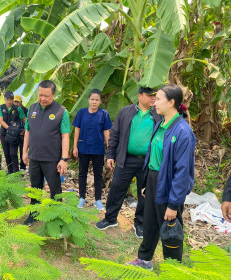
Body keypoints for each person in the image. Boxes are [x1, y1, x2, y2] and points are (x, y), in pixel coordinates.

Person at [128, 84, 196, 269]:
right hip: (152, 180)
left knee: (170, 228)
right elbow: (152, 157)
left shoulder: (183, 131)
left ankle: (173, 268)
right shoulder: (160, 124)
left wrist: (173, 204)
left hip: (168, 183)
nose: (154, 102)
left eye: (158, 99)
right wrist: (145, 184)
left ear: (172, 102)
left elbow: (183, 172)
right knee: (149, 222)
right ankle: (144, 259)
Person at [96, 87, 162, 238]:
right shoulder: (126, 112)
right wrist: (111, 155)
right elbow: (115, 134)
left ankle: (140, 223)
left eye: (155, 96)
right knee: (117, 188)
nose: (153, 98)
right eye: (149, 95)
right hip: (126, 158)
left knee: (145, 193)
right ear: (139, 95)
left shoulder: (159, 113)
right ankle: (110, 218)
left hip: (149, 161)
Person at [22, 80, 70, 226]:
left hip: (52, 159)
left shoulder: (62, 111)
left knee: (55, 190)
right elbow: (28, 131)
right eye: (40, 95)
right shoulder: (32, 108)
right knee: (35, 188)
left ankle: (57, 217)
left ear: (54, 95)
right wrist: (24, 151)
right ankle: (33, 214)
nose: (43, 98)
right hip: (34, 157)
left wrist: (64, 159)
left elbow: (65, 135)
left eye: (46, 96)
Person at [72, 89, 112, 210]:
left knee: (98, 175)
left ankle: (98, 200)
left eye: (97, 100)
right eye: (92, 99)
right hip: (83, 147)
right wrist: (75, 146)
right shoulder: (81, 113)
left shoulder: (104, 114)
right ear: (88, 100)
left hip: (98, 148)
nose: (94, 102)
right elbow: (77, 129)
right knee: (82, 174)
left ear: (100, 101)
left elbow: (106, 131)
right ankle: (82, 198)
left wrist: (109, 148)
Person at [0, 91, 26, 174]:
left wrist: (25, 129)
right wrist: (9, 129)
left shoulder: (18, 109)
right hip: (4, 134)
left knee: (13, 153)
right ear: (4, 99)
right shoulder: (1, 107)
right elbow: (1, 120)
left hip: (14, 135)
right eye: (7, 99)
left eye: (11, 99)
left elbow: (25, 120)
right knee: (7, 153)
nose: (9, 101)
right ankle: (10, 171)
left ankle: (16, 172)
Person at [14, 95, 28, 170]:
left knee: (23, 149)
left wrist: (25, 130)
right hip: (15, 132)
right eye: (15, 101)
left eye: (17, 102)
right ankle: (15, 167)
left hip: (23, 132)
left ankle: (23, 166)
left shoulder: (25, 110)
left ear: (21, 102)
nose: (16, 103)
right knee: (14, 150)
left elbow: (27, 121)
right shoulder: (13, 110)